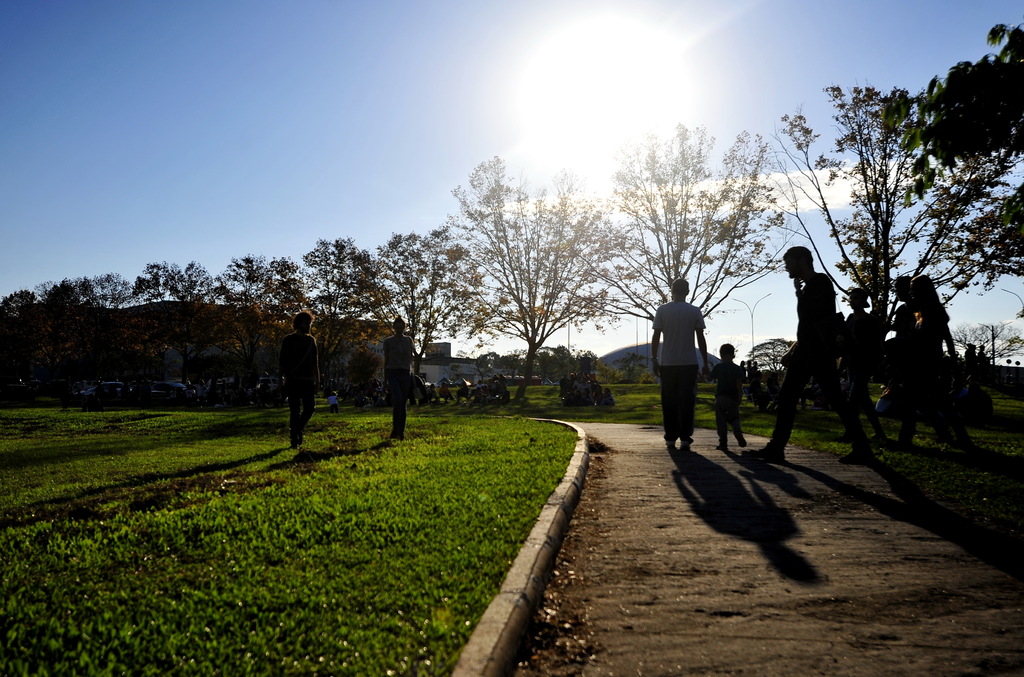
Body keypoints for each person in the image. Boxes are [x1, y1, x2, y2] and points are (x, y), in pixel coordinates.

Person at [746, 247, 872, 464]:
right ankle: (777, 448)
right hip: (807, 352)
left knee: (833, 399)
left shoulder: (820, 283)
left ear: (801, 260)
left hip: (816, 353)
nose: (786, 266)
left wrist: (799, 296)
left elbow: (815, 320)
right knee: (790, 399)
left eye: (789, 261)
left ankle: (862, 447)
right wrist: (792, 349)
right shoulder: (809, 287)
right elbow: (806, 323)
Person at [897, 275, 973, 449]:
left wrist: (955, 368)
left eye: (914, 289)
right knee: (925, 403)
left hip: (929, 364)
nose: (911, 292)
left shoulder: (934, 311)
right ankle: (949, 436)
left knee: (928, 402)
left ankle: (907, 440)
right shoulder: (920, 312)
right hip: (919, 363)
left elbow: (948, 339)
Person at [651, 278, 708, 451]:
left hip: (668, 362)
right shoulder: (694, 310)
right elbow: (700, 338)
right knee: (687, 401)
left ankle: (670, 438)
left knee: (668, 400)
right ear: (688, 292)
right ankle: (685, 438)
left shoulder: (662, 310)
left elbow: (656, 336)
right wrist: (705, 362)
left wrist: (654, 359)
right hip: (689, 362)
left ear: (671, 290)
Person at [842, 288, 887, 442]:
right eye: (851, 298)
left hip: (864, 364)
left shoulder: (870, 320)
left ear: (863, 300)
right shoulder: (849, 319)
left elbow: (876, 345)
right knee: (865, 402)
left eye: (855, 298)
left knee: (853, 400)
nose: (852, 301)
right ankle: (879, 432)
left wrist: (874, 365)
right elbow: (845, 341)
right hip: (851, 364)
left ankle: (852, 434)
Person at [279, 310, 320, 449]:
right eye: (305, 322)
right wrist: (280, 382)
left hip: (308, 379)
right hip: (293, 380)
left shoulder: (311, 340)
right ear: (298, 323)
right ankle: (293, 439)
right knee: (294, 410)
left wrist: (318, 381)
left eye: (309, 323)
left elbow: (315, 362)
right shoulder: (288, 339)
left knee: (310, 408)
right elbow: (282, 362)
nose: (308, 325)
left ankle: (297, 430)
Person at [708, 343, 747, 452]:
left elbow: (710, 378)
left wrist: (703, 373)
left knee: (721, 421)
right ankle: (737, 431)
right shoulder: (737, 368)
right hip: (732, 398)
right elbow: (739, 385)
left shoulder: (718, 367)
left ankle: (723, 443)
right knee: (734, 418)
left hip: (720, 397)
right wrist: (740, 397)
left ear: (720, 354)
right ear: (733, 355)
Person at [383, 316, 415, 440]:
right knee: (398, 399)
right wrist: (385, 380)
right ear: (394, 328)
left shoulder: (408, 340)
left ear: (404, 328)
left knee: (403, 403)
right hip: (393, 372)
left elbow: (411, 358)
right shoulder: (388, 341)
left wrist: (413, 375)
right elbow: (386, 360)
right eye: (397, 327)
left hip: (405, 373)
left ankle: (400, 432)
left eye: (402, 327)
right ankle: (395, 429)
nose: (399, 330)